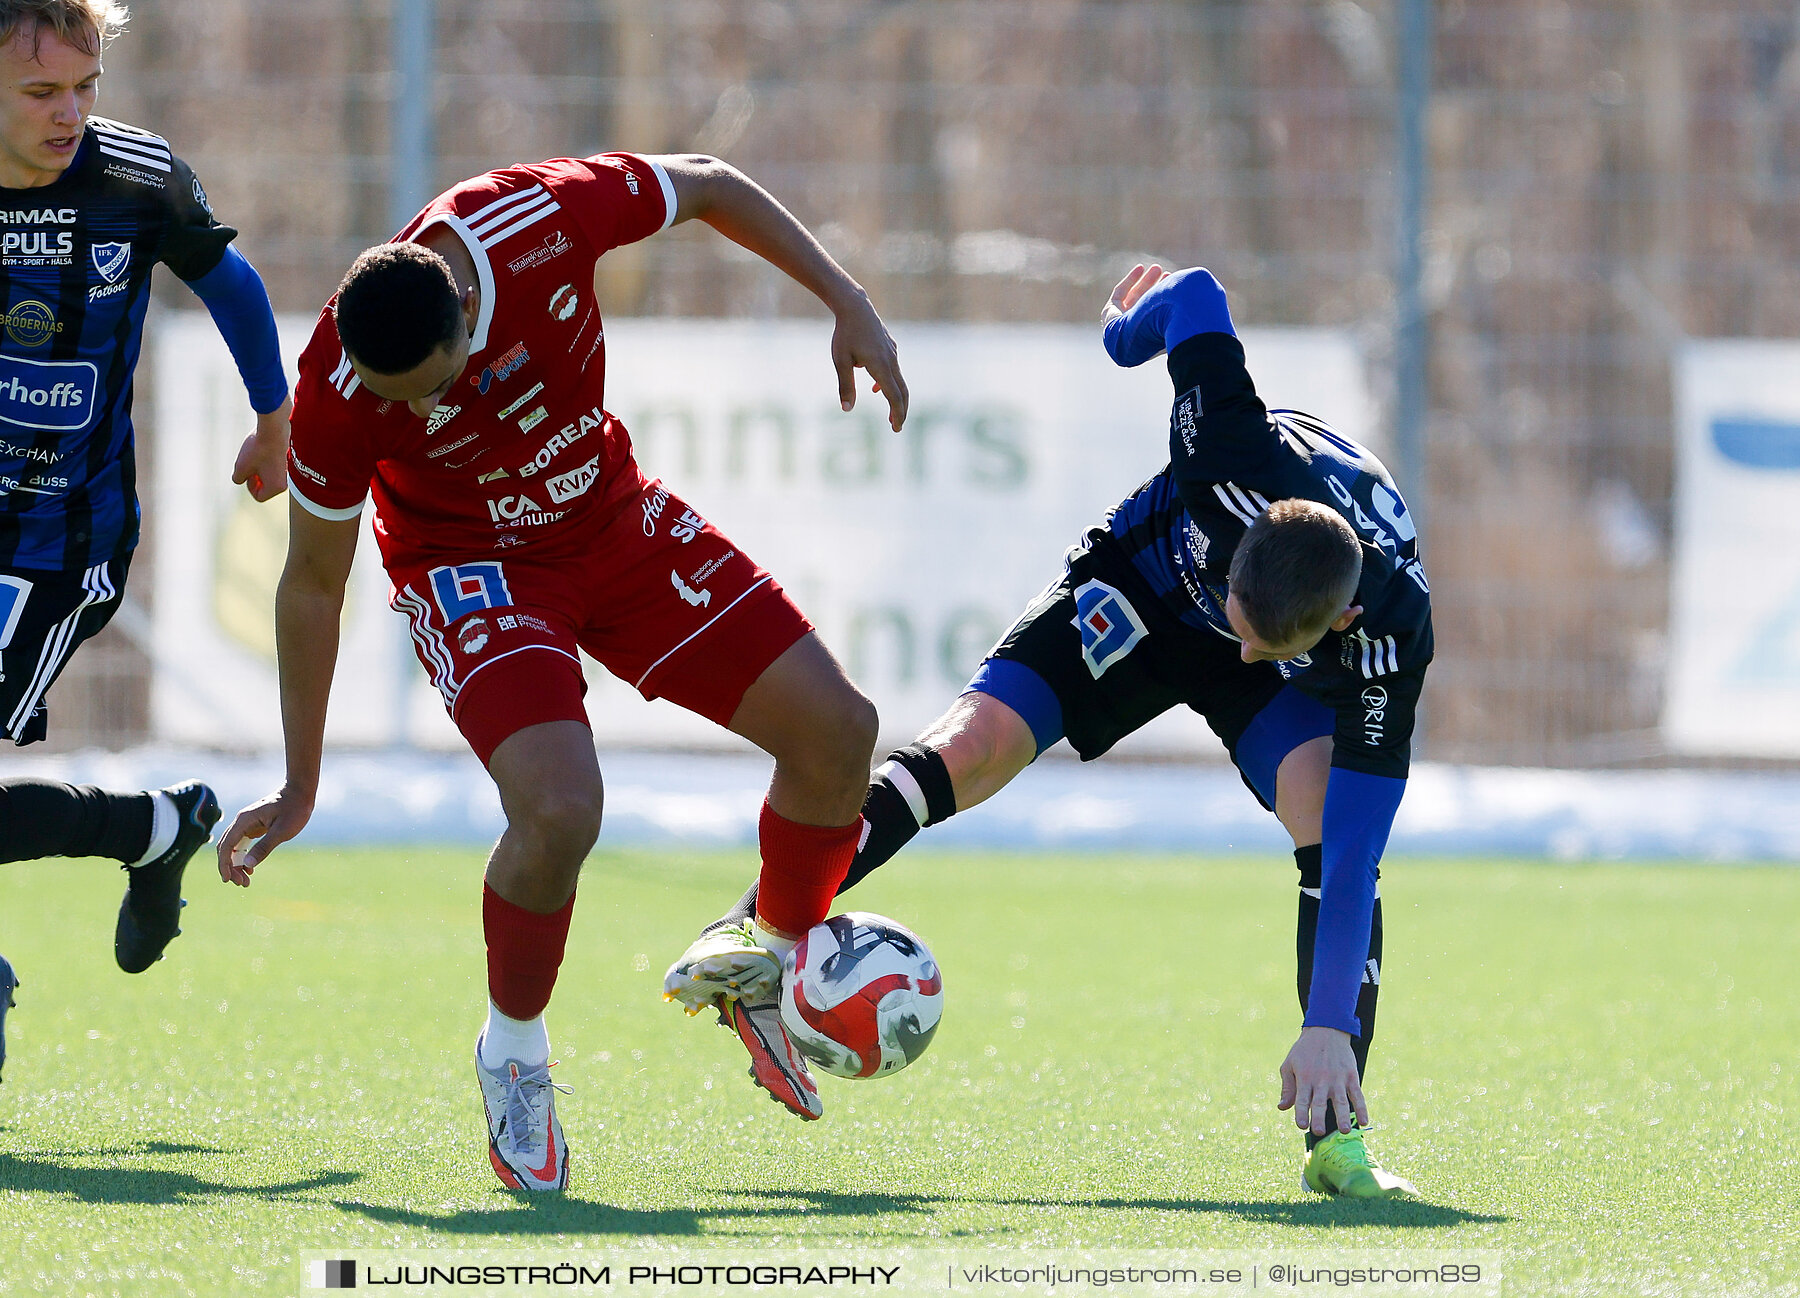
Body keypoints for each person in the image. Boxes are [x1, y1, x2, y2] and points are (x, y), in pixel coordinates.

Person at [214, 149, 908, 1193]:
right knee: (560, 808)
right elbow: (312, 582)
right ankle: (514, 1051)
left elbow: (714, 181)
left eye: (435, 386)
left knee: (839, 733)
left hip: (614, 520)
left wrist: (848, 301)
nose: (423, 411)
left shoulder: (537, 220)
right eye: (402, 402)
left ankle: (764, 956)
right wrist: (303, 778)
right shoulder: (339, 387)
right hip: (473, 567)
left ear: (462, 314)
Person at [684, 263, 1433, 1200]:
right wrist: (1123, 334)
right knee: (975, 745)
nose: (1238, 647)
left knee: (1329, 822)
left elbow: (1361, 851)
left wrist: (1327, 1020)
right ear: (1240, 545)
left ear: (1333, 626)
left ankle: (1338, 1140)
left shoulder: (1393, 641)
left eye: (1263, 640)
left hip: (1268, 658)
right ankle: (751, 930)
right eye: (1239, 616)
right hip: (1146, 581)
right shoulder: (1228, 446)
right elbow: (1195, 295)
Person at [0, 0, 290, 1067]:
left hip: (57, 544)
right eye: (41, 92)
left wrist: (274, 417)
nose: (70, 112)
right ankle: (155, 828)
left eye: (84, 88)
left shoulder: (134, 178)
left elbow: (232, 280)